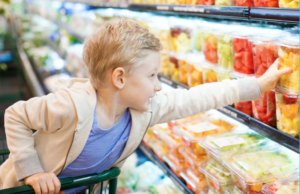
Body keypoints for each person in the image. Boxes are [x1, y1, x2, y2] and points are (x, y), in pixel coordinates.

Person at [0, 18, 291, 194]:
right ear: (120, 78)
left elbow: (195, 98)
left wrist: (257, 85)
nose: (158, 85)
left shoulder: (143, 110)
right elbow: (15, 116)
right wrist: (31, 171)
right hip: (23, 189)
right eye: (152, 75)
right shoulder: (70, 106)